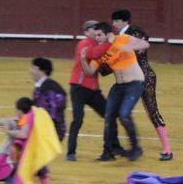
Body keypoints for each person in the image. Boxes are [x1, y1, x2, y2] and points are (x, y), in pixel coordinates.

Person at [81, 22, 150, 161]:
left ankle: (135, 148)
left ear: (108, 33)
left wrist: (128, 46)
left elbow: (145, 44)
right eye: (95, 36)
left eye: (99, 35)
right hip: (118, 87)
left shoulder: (122, 38)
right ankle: (108, 152)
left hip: (135, 84)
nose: (97, 38)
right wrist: (83, 58)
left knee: (124, 114)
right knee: (108, 116)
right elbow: (89, 72)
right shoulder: (101, 50)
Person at [111, 10, 173, 161]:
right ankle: (118, 147)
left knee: (152, 110)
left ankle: (167, 149)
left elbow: (139, 50)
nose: (113, 24)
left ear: (123, 21)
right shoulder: (117, 38)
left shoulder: (135, 32)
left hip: (144, 77)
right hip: (126, 79)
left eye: (115, 21)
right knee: (118, 112)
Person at [66, 21, 123, 161]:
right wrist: (110, 43)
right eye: (93, 29)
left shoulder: (99, 44)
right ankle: (71, 152)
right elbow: (93, 54)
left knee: (109, 115)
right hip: (78, 88)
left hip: (93, 89)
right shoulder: (83, 44)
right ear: (86, 32)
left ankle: (114, 147)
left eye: (98, 30)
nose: (96, 31)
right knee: (78, 120)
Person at [0, 97, 62, 184]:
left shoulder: (27, 117)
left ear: (20, 110)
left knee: (40, 170)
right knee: (41, 170)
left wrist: (8, 131)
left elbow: (23, 134)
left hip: (30, 154)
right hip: (37, 147)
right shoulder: (34, 114)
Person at [29, 57, 67, 142]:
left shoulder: (49, 87)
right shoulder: (43, 86)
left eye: (33, 68)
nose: (31, 71)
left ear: (40, 70)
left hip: (51, 130)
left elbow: (51, 113)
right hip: (49, 129)